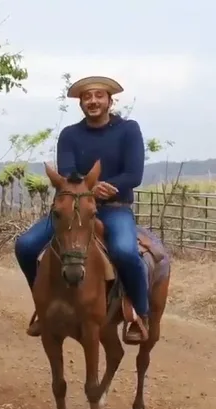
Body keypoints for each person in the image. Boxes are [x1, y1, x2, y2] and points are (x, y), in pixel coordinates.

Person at [14, 76, 149, 344]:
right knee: (26, 246)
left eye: (99, 95)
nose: (93, 101)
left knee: (125, 251)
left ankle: (139, 316)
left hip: (114, 208)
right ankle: (42, 306)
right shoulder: (70, 135)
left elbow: (134, 174)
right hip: (73, 210)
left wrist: (106, 187)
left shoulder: (129, 130)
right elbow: (67, 172)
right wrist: (90, 188)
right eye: (87, 97)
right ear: (81, 103)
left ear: (110, 101)